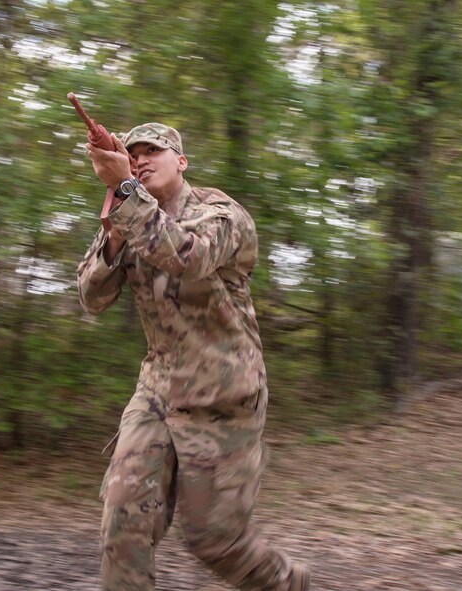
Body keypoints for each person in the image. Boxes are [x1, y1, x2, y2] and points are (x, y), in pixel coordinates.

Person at [76, 123, 310, 591]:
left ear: (180, 162)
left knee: (215, 543)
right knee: (123, 525)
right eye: (132, 153)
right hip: (158, 393)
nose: (140, 160)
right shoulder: (129, 216)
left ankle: (288, 585)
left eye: (152, 152)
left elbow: (189, 256)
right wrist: (117, 232)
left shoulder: (222, 214)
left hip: (224, 397)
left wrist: (125, 192)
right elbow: (91, 297)